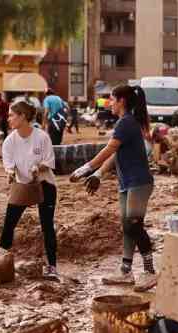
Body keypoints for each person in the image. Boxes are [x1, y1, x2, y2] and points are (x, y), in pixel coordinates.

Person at [71, 85, 156, 290]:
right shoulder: (125, 122)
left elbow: (109, 149)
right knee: (127, 227)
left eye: (112, 99)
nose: (109, 103)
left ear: (122, 101)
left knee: (134, 225)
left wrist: (86, 168)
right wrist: (99, 174)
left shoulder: (126, 123)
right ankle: (126, 272)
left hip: (139, 182)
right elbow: (115, 154)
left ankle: (150, 271)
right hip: (127, 182)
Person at [0, 101, 59, 279]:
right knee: (9, 223)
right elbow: (8, 165)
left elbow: (49, 162)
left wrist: (37, 168)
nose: (8, 119)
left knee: (47, 225)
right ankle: (0, 261)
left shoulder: (42, 137)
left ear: (23, 116)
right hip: (22, 185)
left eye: (11, 115)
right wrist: (10, 173)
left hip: (44, 184)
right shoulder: (9, 141)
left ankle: (52, 266)